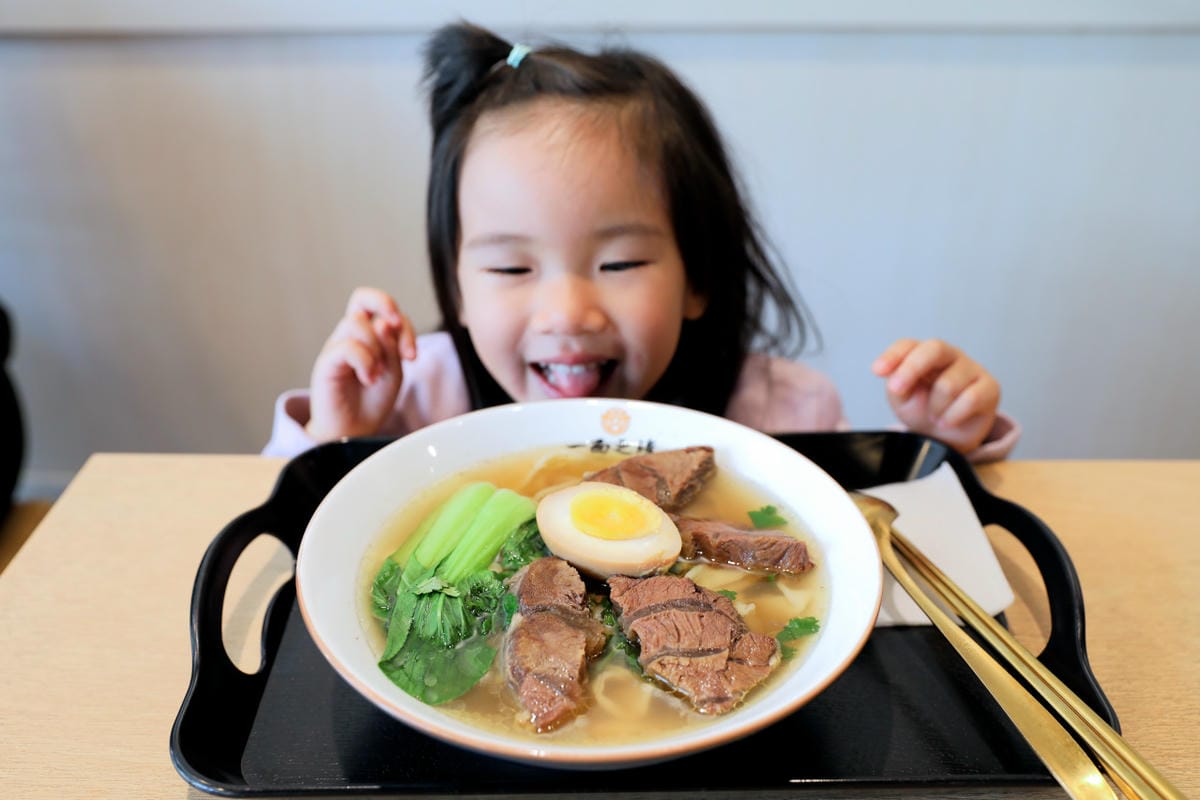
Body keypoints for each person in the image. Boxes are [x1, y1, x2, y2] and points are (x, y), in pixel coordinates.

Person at [264, 22, 1018, 462]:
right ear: (458, 285)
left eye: (618, 261)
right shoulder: (418, 401)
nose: (566, 311)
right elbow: (298, 543)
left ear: (697, 275)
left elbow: (881, 542)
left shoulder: (779, 413)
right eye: (510, 265)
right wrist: (338, 435)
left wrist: (936, 445)